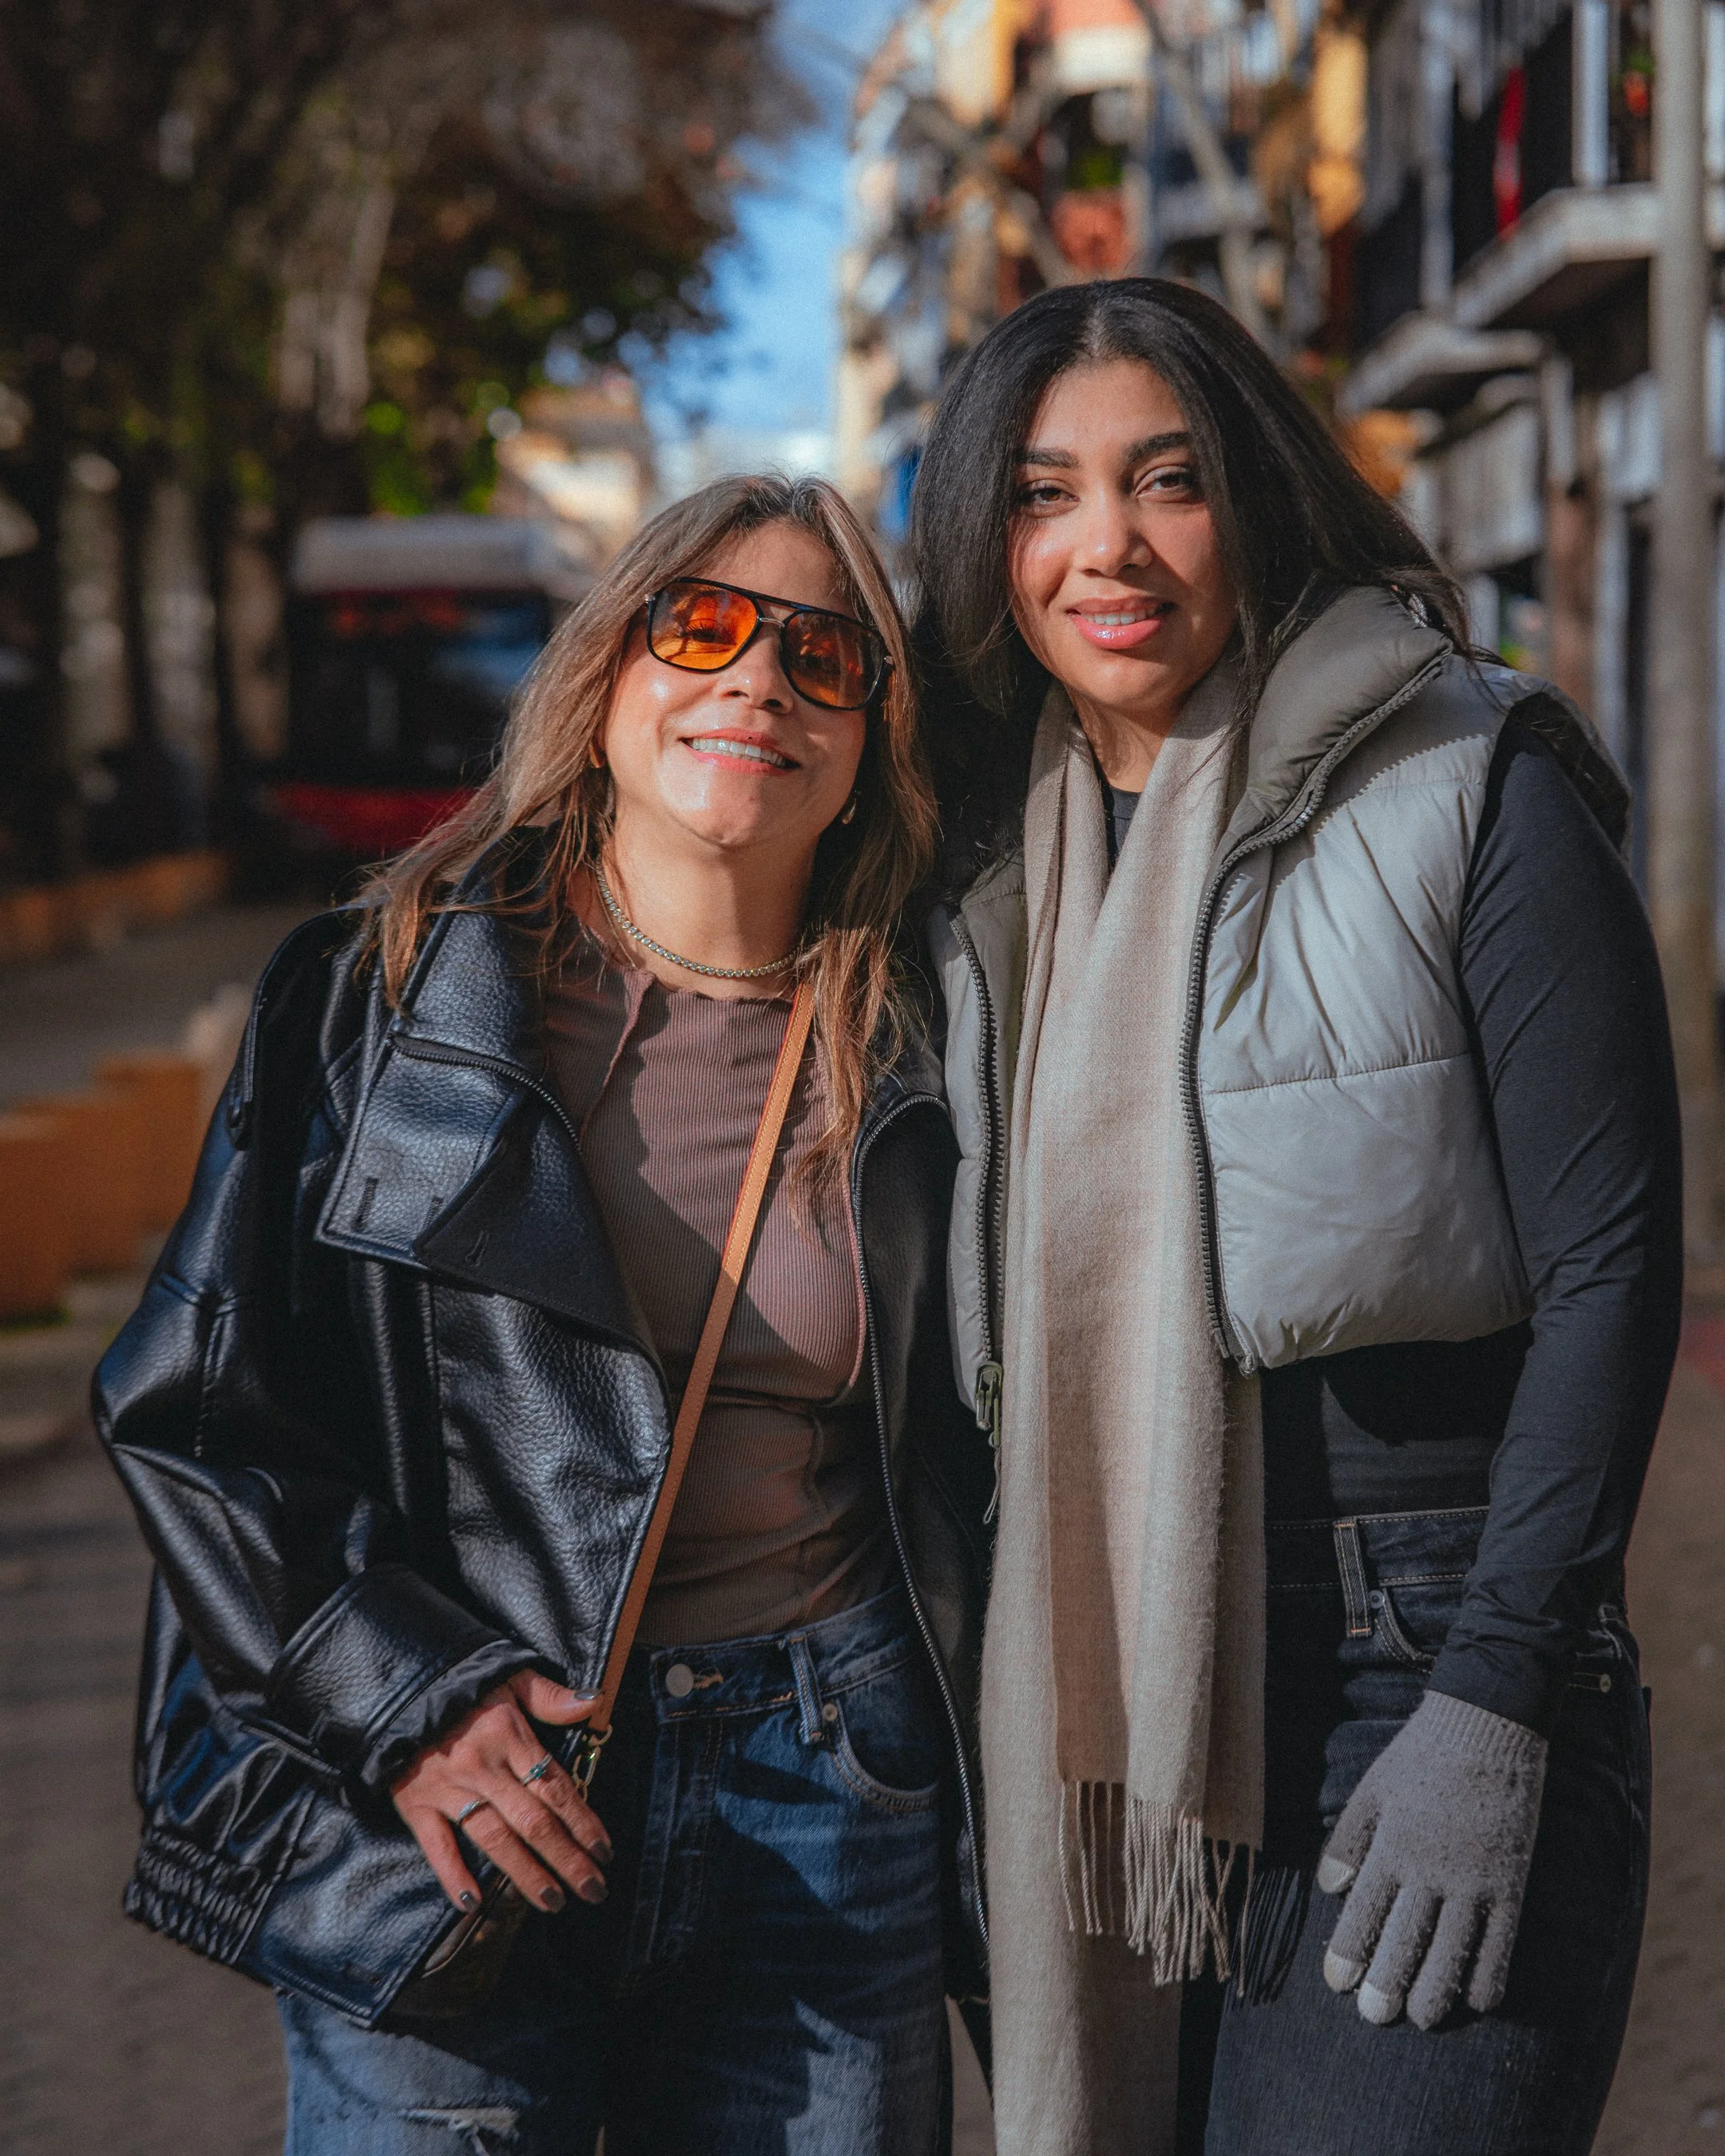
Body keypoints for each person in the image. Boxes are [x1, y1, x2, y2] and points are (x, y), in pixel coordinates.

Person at [94, 474, 993, 2155]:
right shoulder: (385, 991)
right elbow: (190, 1403)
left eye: (822, 657)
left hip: (825, 1783)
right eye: (704, 628)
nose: (757, 685)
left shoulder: (932, 1047)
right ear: (605, 683)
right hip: (463, 1787)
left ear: (874, 735)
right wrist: (406, 1704)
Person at [913, 278, 1679, 2156]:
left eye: (1167, 481)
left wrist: (1499, 1694)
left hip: (1417, 1649)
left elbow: (1613, 1268)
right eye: (1045, 494)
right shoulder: (959, 864)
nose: (1111, 545)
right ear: (984, 541)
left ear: (1252, 492)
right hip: (1086, 1686)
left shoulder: (1466, 771)